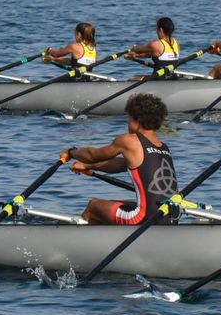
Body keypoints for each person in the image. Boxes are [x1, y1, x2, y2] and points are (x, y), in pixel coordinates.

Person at [61, 93, 179, 225]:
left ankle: (78, 238)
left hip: (142, 219)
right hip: (169, 217)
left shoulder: (128, 141)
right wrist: (89, 166)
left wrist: (71, 152)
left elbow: (91, 155)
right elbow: (120, 164)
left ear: (138, 119)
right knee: (115, 204)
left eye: (129, 118)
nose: (127, 122)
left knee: (93, 206)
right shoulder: (163, 147)